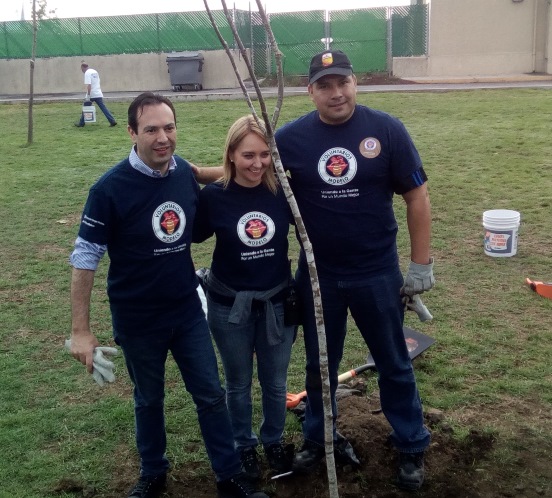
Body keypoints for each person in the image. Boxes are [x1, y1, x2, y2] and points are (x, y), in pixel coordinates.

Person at [68, 92, 268, 498]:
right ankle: (153, 473)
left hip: (186, 310)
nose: (163, 137)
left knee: (211, 395)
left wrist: (259, 173)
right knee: (149, 399)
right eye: (151, 129)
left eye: (169, 127)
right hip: (138, 316)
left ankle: (229, 477)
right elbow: (85, 255)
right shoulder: (109, 189)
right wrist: (81, 331)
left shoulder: (182, 174)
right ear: (131, 133)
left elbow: (219, 178)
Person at [273, 50, 435, 491]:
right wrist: (197, 174)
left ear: (355, 83)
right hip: (319, 277)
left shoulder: (386, 130)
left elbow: (417, 196)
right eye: (324, 85)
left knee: (393, 362)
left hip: (377, 273)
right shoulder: (288, 140)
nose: (336, 92)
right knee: (319, 366)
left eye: (342, 81)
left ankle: (411, 444)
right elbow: (248, 175)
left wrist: (420, 265)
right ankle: (318, 437)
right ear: (310, 92)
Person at [193, 115, 295, 481]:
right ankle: (244, 446)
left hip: (277, 304)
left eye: (265, 155)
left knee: (276, 382)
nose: (257, 164)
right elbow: (191, 236)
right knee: (237, 383)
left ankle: (274, 440)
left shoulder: (282, 191)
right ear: (232, 154)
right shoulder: (215, 197)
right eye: (248, 155)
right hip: (228, 306)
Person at [75, 61, 117, 127]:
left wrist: (88, 96)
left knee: (86, 108)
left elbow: (89, 86)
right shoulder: (94, 71)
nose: (82, 71)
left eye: (82, 69)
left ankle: (81, 123)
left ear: (83, 68)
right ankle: (112, 121)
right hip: (98, 92)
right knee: (103, 108)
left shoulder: (87, 73)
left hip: (92, 94)